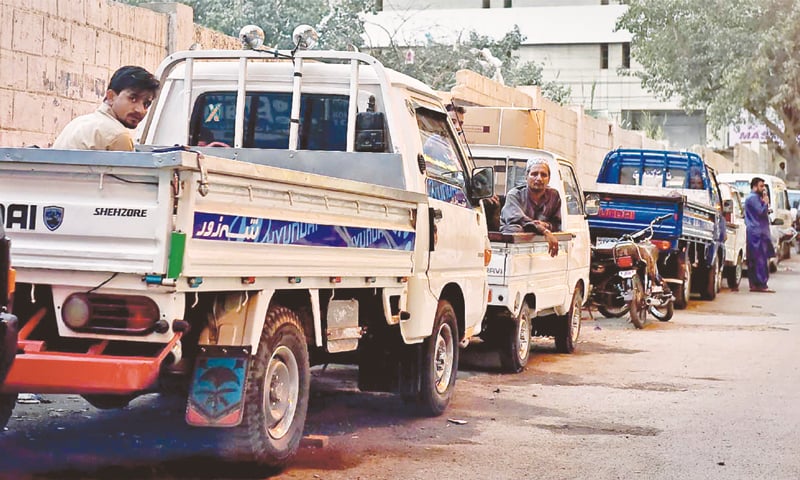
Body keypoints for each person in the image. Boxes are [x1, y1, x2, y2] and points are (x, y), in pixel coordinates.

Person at [52, 66, 160, 151]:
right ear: (111, 96)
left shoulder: (79, 122)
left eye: (146, 104)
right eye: (133, 98)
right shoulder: (118, 135)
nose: (140, 110)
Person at [500, 157, 561, 257]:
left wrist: (546, 225)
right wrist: (543, 230)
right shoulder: (514, 195)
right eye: (534, 174)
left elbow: (557, 224)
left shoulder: (554, 196)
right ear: (526, 177)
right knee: (515, 228)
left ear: (549, 179)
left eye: (543, 175)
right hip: (515, 251)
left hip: (543, 254)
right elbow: (518, 219)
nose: (539, 178)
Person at [744, 176, 775, 292]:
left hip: (756, 231)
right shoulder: (753, 198)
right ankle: (761, 284)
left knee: (755, 258)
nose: (763, 189)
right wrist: (765, 203)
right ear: (755, 186)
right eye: (761, 186)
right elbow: (761, 211)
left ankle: (755, 284)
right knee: (759, 259)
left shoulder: (754, 198)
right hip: (757, 233)